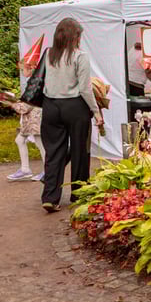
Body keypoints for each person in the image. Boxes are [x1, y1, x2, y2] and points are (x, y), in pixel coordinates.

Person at [40, 17, 103, 213]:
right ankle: (79, 194)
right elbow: (85, 88)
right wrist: (96, 111)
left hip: (50, 106)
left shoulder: (48, 54)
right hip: (75, 107)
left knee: (53, 153)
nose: (80, 39)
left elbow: (41, 80)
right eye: (79, 36)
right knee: (79, 152)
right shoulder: (79, 56)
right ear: (74, 37)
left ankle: (50, 197)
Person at [3, 87, 45, 182]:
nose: (23, 71)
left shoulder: (34, 85)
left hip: (35, 121)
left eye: (24, 70)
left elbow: (24, 108)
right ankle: (25, 169)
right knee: (19, 140)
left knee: (41, 144)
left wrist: (10, 102)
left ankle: (48, 171)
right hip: (30, 122)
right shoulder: (32, 84)